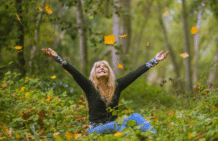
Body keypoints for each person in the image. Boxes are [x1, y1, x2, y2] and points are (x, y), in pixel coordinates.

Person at [41, 48, 169, 136]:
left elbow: (135, 74)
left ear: (109, 72)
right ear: (94, 73)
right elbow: (74, 72)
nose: (102, 68)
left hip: (115, 127)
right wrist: (57, 58)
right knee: (123, 126)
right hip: (95, 130)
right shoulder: (89, 86)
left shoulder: (117, 86)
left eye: (105, 67)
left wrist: (155, 60)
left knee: (132, 119)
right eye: (98, 67)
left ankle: (156, 137)